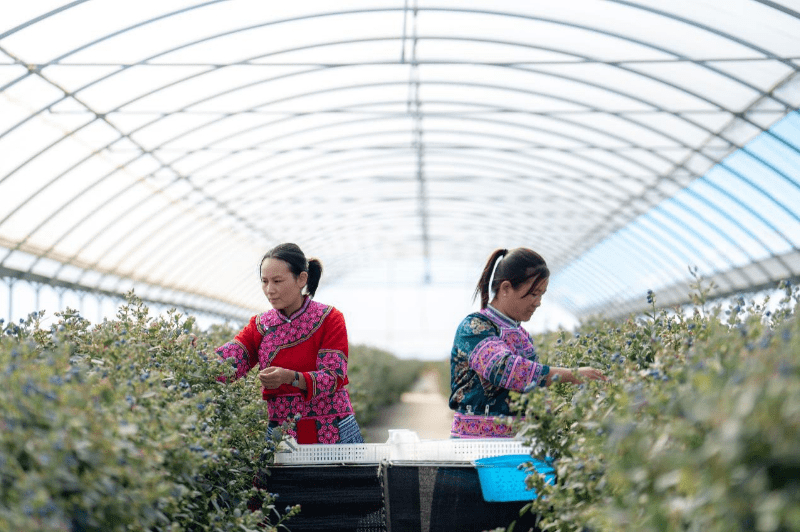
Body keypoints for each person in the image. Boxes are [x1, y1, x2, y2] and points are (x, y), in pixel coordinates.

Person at [448, 247, 606, 438]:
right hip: (474, 447)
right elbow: (506, 369)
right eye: (533, 294)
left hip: (518, 445)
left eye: (541, 294)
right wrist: (572, 375)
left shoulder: (522, 335)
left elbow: (530, 387)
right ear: (506, 288)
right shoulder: (474, 328)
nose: (538, 302)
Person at [215, 243, 363, 444]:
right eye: (265, 281)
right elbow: (227, 364)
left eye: (277, 281)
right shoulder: (260, 325)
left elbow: (333, 376)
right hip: (283, 435)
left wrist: (290, 377)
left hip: (333, 431)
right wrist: (194, 357)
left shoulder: (329, 318)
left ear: (301, 279)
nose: (269, 290)